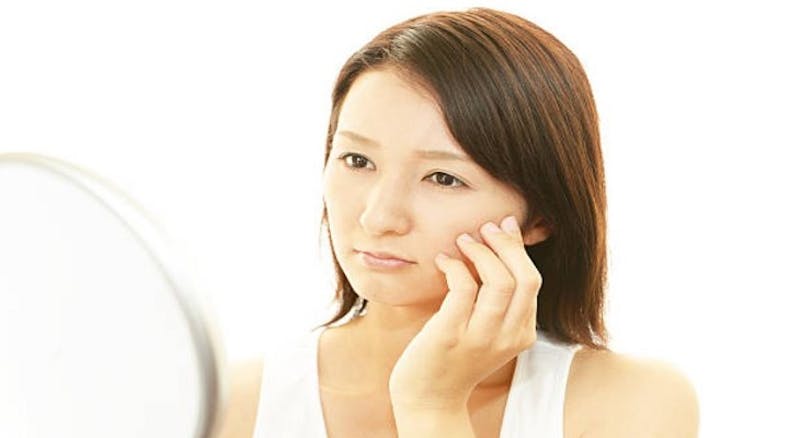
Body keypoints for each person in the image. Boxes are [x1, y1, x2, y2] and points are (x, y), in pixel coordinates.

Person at [219, 7, 699, 437]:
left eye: (443, 177)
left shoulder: (630, 405)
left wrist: (431, 406)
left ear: (542, 217)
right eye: (357, 160)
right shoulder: (230, 405)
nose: (379, 216)